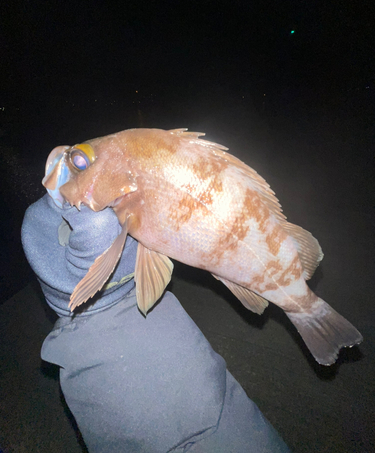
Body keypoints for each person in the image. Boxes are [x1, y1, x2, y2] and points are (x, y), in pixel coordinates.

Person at [21, 192, 290, 452]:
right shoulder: (159, 300)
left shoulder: (74, 359)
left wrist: (73, 189)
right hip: (241, 427)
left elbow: (98, 229)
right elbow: (100, 228)